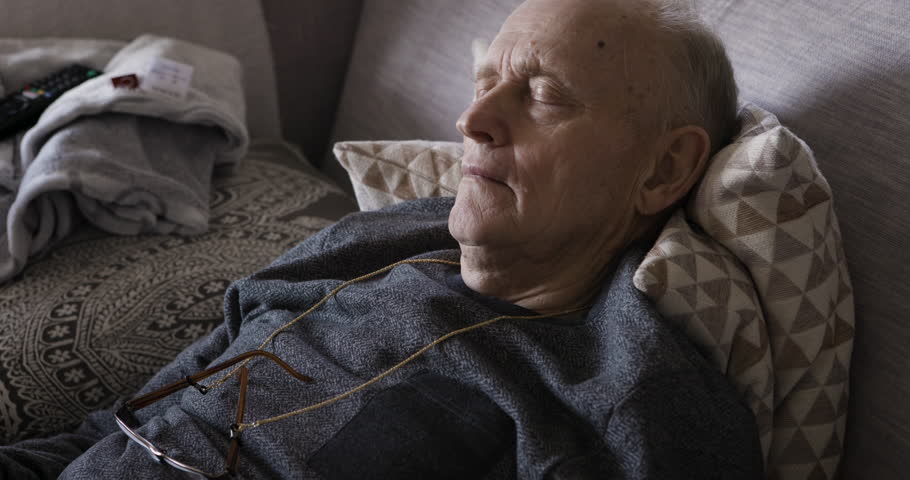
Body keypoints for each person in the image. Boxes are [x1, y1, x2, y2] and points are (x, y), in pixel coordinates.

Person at [1, 0, 762, 478]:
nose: (471, 122)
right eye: (484, 85)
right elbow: (115, 426)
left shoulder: (630, 402)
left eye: (543, 96)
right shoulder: (377, 241)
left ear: (664, 168)